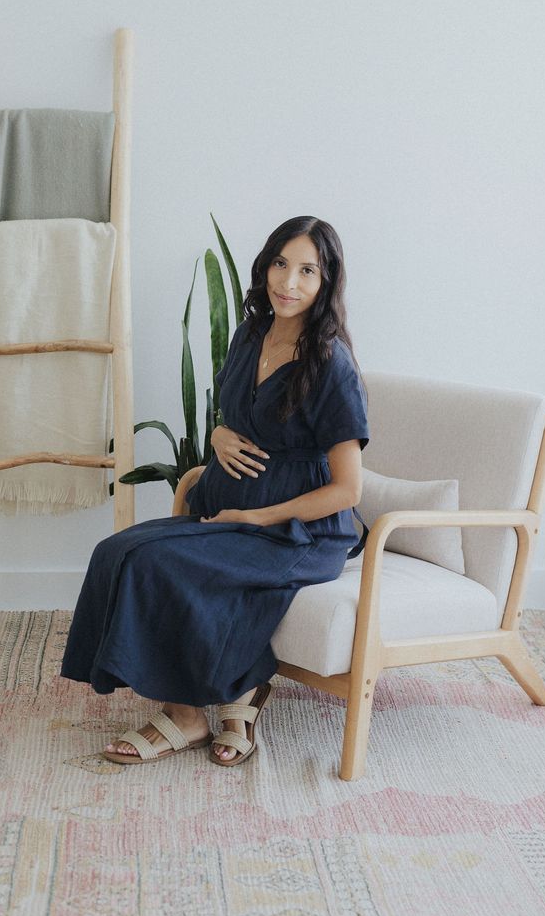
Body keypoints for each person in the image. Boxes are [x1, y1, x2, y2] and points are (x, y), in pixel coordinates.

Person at [58, 215, 370, 765]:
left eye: (306, 271)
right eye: (280, 264)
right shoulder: (252, 333)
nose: (288, 283)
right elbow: (231, 415)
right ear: (264, 265)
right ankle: (237, 690)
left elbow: (347, 490)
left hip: (297, 533)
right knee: (115, 551)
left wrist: (258, 519)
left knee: (159, 566)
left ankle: (186, 715)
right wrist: (220, 434)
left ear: (326, 284)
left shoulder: (330, 364)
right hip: (225, 508)